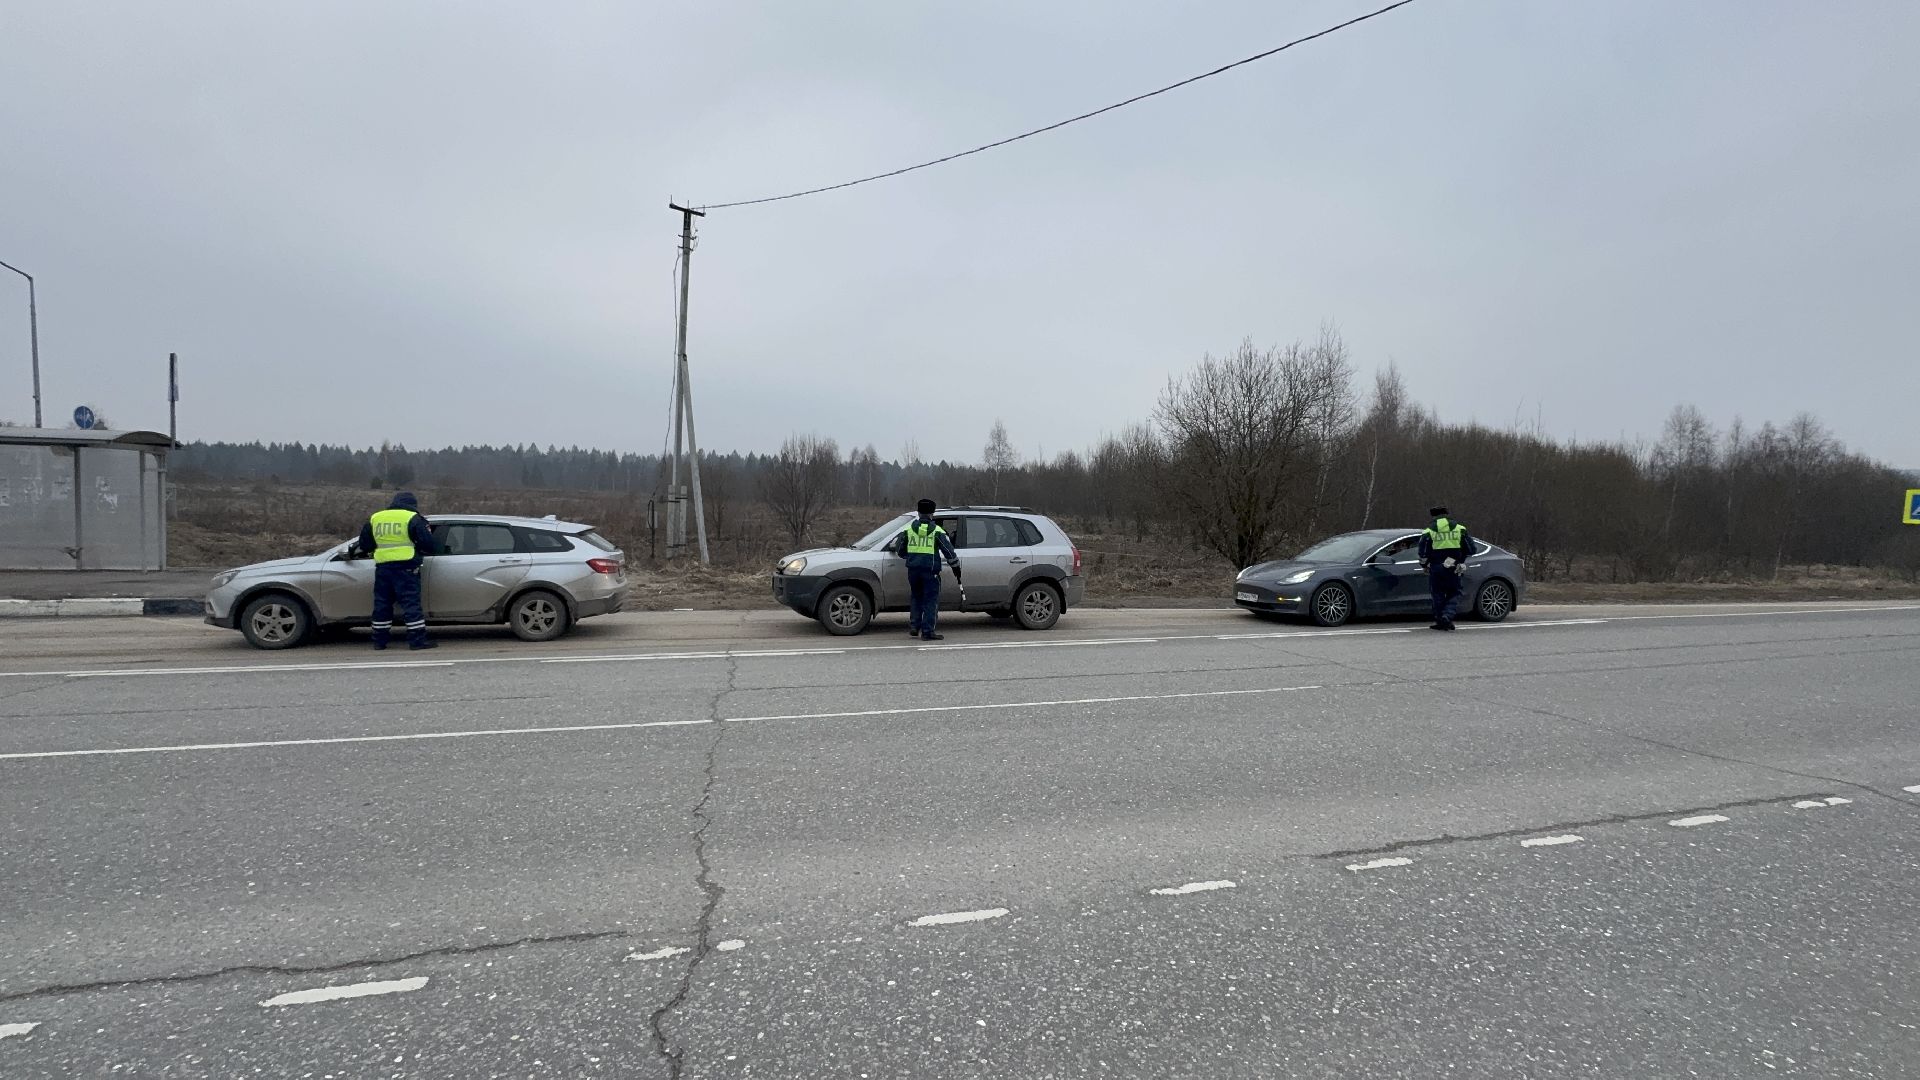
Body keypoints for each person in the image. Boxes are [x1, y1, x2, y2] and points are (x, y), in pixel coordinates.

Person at [357, 491, 437, 650]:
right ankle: (417, 641)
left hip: (383, 568)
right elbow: (428, 544)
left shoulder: (376, 518)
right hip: (406, 568)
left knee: (382, 604)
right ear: (413, 505)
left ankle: (379, 642)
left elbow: (365, 544)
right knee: (411, 605)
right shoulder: (412, 518)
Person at [899, 498, 962, 641]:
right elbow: (949, 552)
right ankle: (927, 632)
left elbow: (900, 551)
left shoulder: (908, 530)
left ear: (918, 512)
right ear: (932, 513)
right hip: (930, 572)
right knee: (930, 601)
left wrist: (914, 557)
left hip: (913, 571)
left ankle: (915, 627)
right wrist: (956, 567)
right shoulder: (937, 531)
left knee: (916, 597)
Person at [1418, 505, 1477, 632]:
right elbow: (1472, 549)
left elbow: (1422, 552)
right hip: (1454, 566)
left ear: (1433, 516)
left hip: (1436, 567)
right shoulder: (1460, 529)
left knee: (1437, 594)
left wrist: (1424, 565)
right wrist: (1461, 558)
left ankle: (1441, 620)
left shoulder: (1428, 531)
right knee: (1454, 592)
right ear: (1447, 514)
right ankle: (1447, 616)